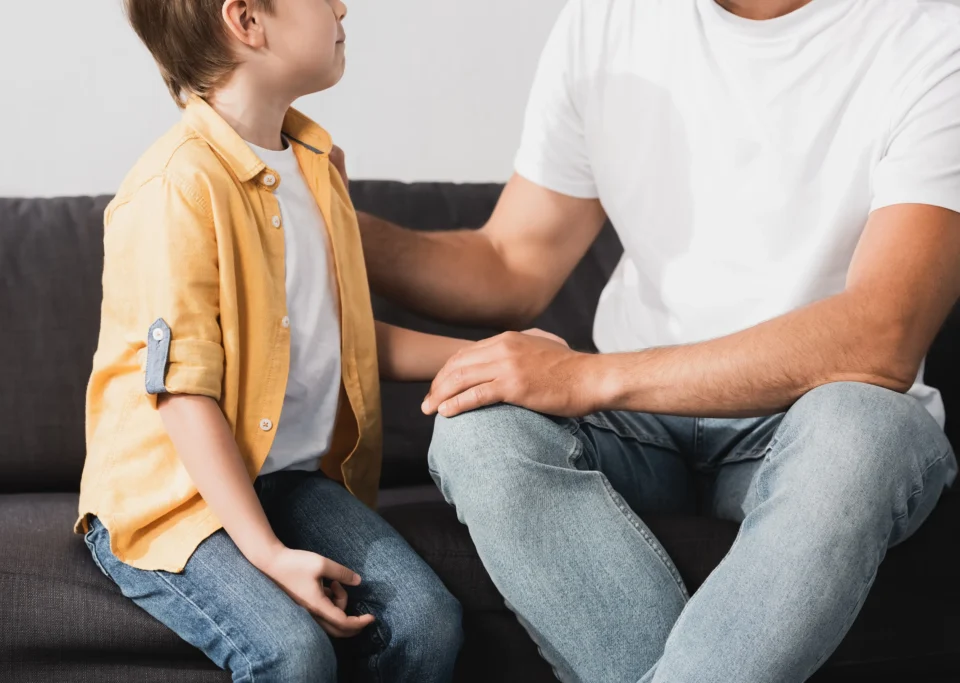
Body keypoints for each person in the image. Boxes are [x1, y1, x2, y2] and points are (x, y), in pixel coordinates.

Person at [354, 0, 960, 681]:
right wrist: (333, 225)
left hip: (814, 418)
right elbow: (510, 261)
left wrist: (588, 376)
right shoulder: (606, 18)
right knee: (477, 429)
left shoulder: (931, 39)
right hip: (639, 432)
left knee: (864, 430)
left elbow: (882, 332)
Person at [69, 0, 527, 680]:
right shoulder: (177, 186)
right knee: (294, 653)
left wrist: (500, 357)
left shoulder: (317, 166)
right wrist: (269, 553)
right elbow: (182, 394)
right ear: (247, 20)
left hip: (280, 477)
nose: (344, 7)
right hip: (171, 496)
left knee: (430, 623)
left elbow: (342, 339)